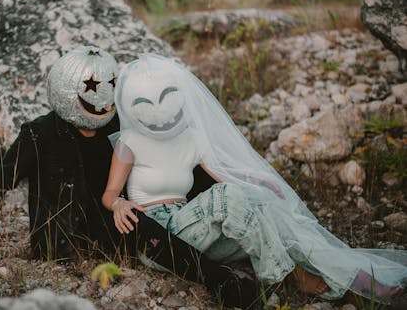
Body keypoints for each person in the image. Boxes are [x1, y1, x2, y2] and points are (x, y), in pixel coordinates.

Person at [0, 46, 260, 308]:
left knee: (142, 219)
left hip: (115, 226)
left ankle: (230, 275)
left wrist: (225, 184)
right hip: (65, 239)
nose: (102, 100)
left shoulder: (120, 124)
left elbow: (167, 159)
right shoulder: (38, 135)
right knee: (142, 224)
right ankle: (220, 280)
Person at [102, 53, 407, 303]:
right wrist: (117, 204)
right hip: (163, 236)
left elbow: (223, 174)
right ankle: (288, 277)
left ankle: (353, 278)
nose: (159, 113)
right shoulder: (131, 140)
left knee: (275, 217)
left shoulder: (192, 137)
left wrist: (259, 181)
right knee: (227, 197)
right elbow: (110, 193)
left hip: (196, 228)